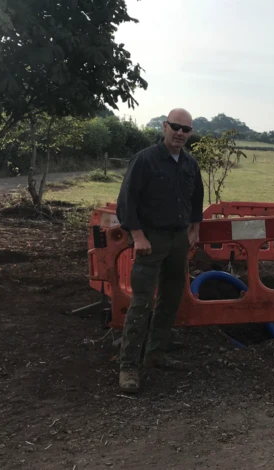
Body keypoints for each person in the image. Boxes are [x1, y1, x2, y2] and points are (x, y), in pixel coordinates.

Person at [115, 108, 204, 393]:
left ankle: (156, 355)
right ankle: (128, 366)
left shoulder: (190, 164)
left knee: (171, 298)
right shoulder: (145, 160)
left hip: (178, 240)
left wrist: (194, 231)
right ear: (165, 126)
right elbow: (126, 201)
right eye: (175, 127)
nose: (180, 133)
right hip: (150, 240)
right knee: (142, 302)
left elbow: (197, 200)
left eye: (186, 129)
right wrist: (138, 236)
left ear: (190, 133)